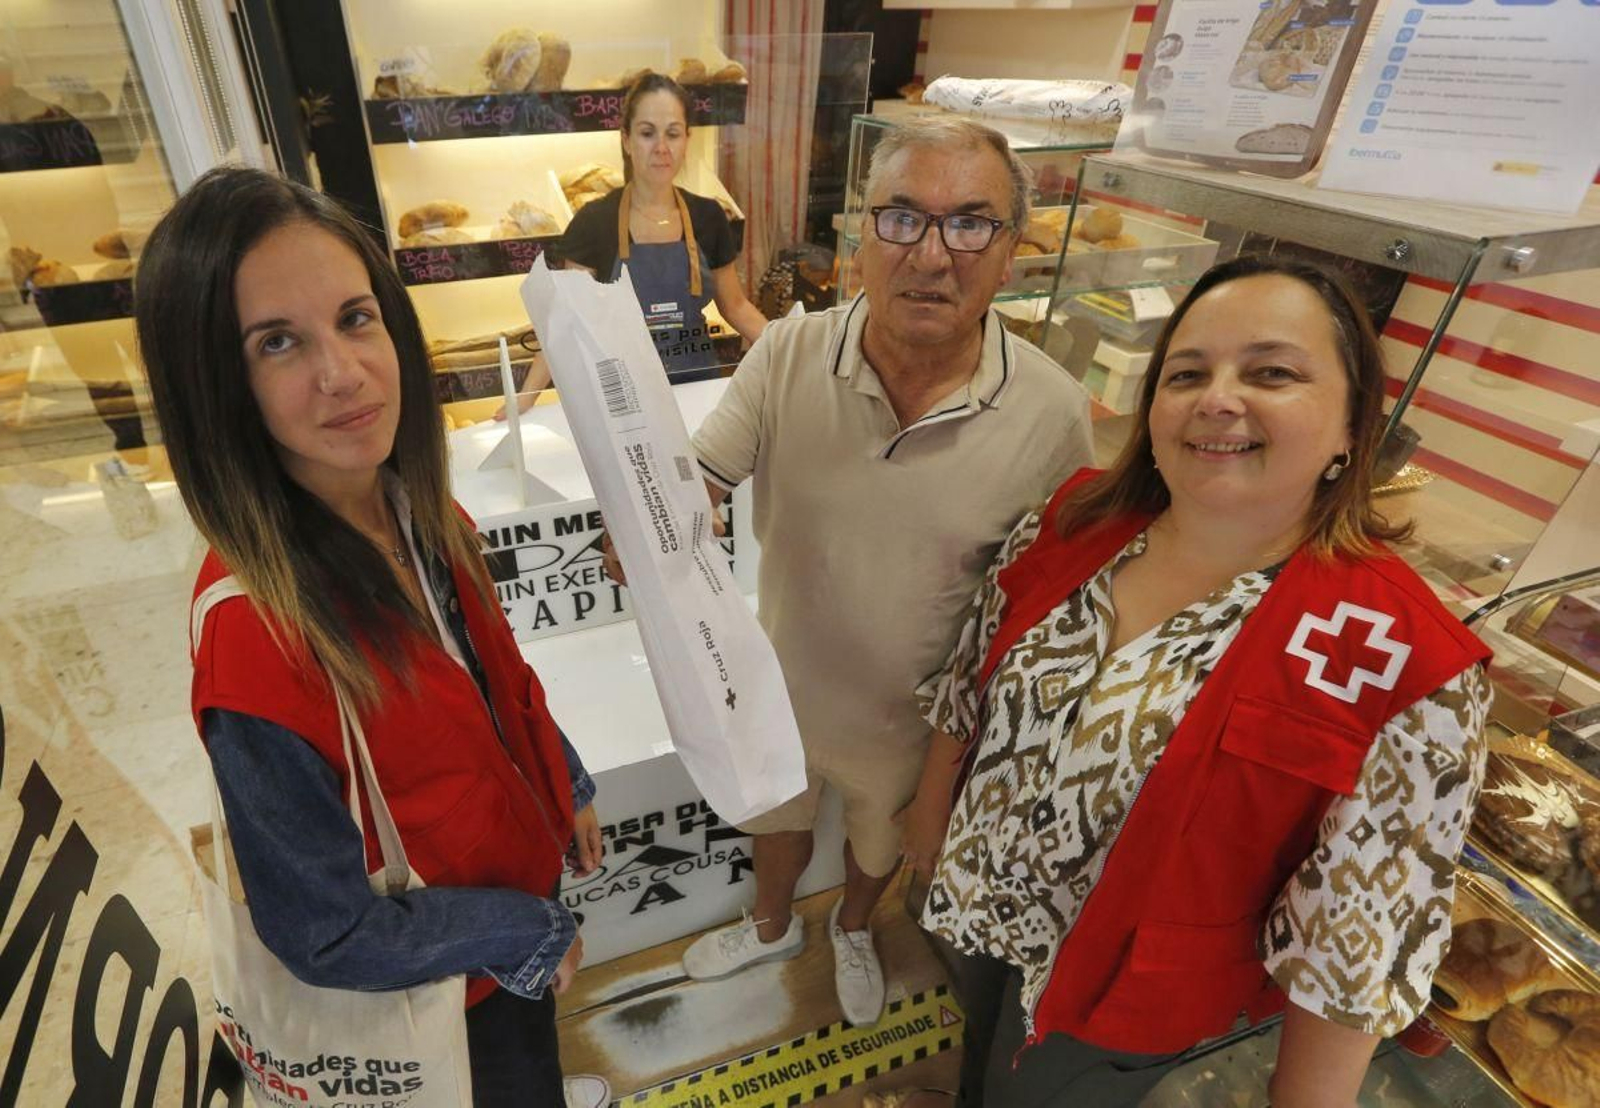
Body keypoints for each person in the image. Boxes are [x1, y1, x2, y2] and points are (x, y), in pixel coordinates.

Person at [900, 255, 1493, 1106]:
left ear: (1354, 425)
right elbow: (972, 678)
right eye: (1187, 373)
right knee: (982, 1050)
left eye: (1272, 372)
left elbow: (1354, 948)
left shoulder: (1402, 662)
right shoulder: (1075, 521)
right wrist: (929, 811)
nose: (1217, 397)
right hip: (981, 902)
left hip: (1125, 993)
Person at [136, 166, 611, 1108]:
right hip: (439, 999)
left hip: (503, 930)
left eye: (356, 318)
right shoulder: (256, 644)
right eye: (278, 342)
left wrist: (570, 779)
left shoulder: (413, 505)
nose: (342, 374)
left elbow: (488, 678)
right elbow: (325, 932)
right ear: (215, 383)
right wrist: (522, 933)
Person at [607, 115, 1094, 1028]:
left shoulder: (1052, 413)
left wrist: (962, 767)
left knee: (880, 839)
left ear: (1012, 249)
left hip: (911, 718)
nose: (932, 254)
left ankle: (856, 928)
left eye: (971, 222)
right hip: (779, 680)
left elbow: (1035, 608)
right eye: (903, 218)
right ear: (862, 234)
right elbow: (701, 476)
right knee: (776, 820)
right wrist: (650, 522)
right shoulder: (789, 351)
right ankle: (768, 925)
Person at [556, 73, 767, 381]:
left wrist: (789, 350)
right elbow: (567, 318)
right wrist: (524, 402)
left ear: (686, 141)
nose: (661, 147)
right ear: (626, 139)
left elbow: (735, 307)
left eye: (673, 133)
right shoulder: (593, 222)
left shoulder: (709, 217)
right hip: (626, 392)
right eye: (647, 133)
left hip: (698, 384)